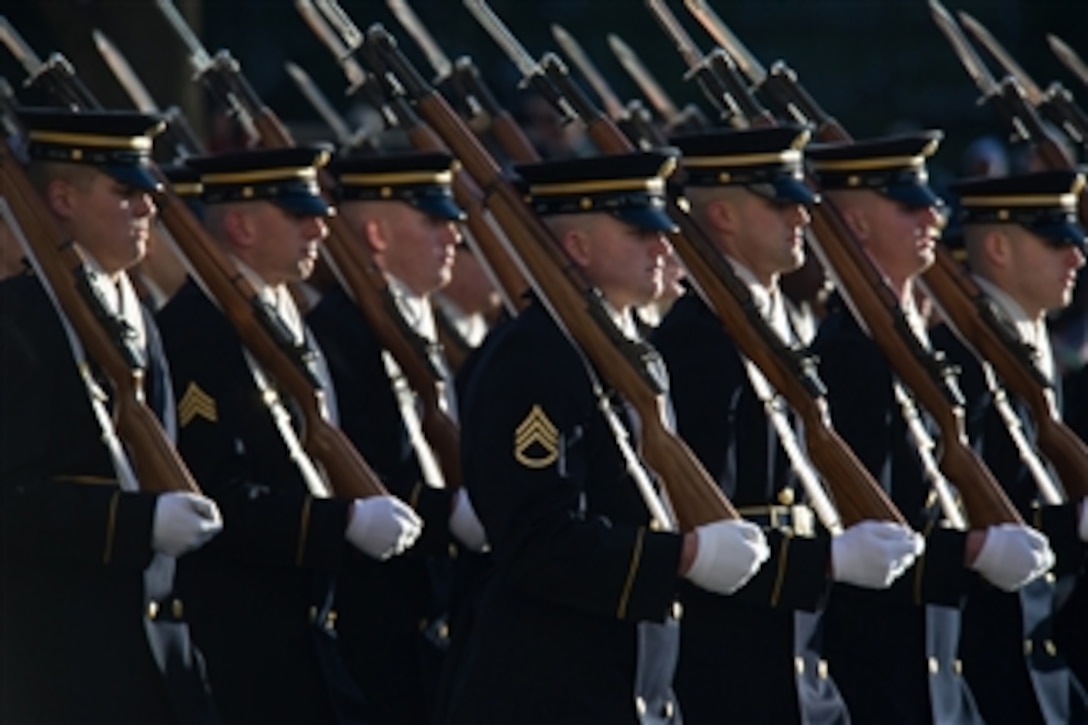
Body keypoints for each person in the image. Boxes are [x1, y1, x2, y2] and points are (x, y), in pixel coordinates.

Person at [444, 150, 772, 723]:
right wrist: (685, 555)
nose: (662, 247)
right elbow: (538, 538)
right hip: (555, 690)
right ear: (578, 248)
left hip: (631, 680)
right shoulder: (535, 357)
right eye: (639, 233)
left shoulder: (631, 352)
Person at [654, 125, 923, 724]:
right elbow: (708, 526)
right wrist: (822, 560)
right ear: (722, 213)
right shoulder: (697, 343)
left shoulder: (779, 329)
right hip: (733, 671)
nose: (802, 214)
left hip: (800, 661)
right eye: (780, 202)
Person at [156, 145, 423, 724]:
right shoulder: (198, 331)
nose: (319, 225)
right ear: (239, 225)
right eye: (297, 214)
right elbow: (216, 492)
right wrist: (341, 521)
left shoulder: (286, 315)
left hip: (313, 629)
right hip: (246, 641)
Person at [807, 131, 1056, 724]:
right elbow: (876, 523)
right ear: (858, 226)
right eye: (907, 203)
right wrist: (972, 547)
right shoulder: (852, 354)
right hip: (886, 672)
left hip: (940, 670)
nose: (932, 214)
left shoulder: (905, 345)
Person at [0, 108, 222, 723]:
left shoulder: (135, 315)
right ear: (64, 198)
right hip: (64, 670)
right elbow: (11, 499)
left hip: (161, 662)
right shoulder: (18, 322)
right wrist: (137, 521)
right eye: (125, 192)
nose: (148, 206)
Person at [305, 150, 488, 723]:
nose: (453, 235)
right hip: (377, 617)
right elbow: (361, 469)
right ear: (377, 233)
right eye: (432, 220)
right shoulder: (341, 332)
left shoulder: (411, 318)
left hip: (429, 611)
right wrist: (445, 511)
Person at [931, 169, 1088, 723]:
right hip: (994, 669)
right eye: (1057, 241)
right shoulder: (963, 358)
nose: (1078, 257)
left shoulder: (1029, 343)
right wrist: (1069, 524)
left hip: (1052, 659)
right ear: (996, 246)